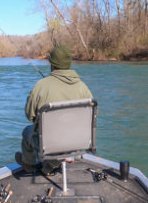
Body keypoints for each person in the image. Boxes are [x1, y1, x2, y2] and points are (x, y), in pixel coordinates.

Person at [15, 44, 92, 173]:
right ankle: (51, 163)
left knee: (27, 132)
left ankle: (28, 164)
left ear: (52, 64)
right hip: (78, 141)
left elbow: (30, 116)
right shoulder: (82, 86)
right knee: (63, 137)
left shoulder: (41, 86)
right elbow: (92, 115)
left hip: (50, 143)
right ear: (68, 64)